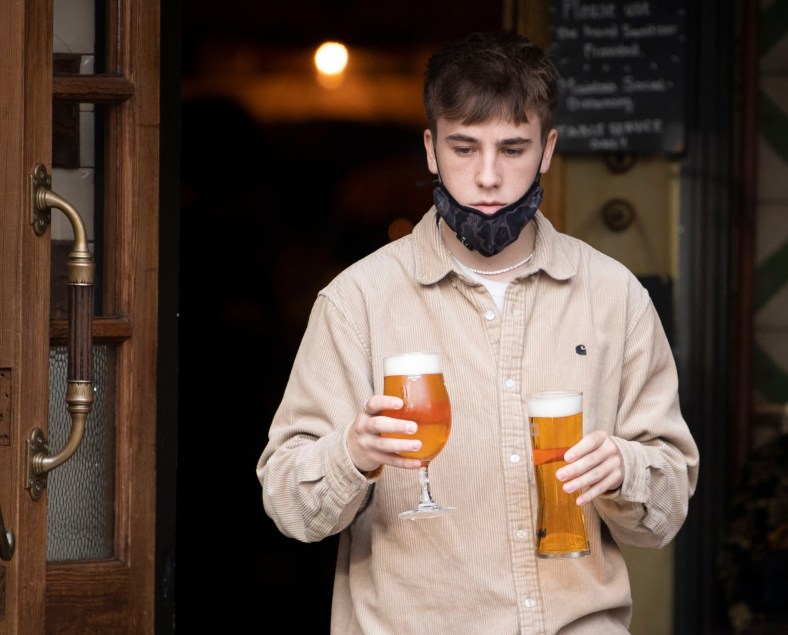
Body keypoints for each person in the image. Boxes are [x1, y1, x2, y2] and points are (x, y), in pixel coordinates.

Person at [257, 30, 699, 634]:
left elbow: (666, 514)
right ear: (431, 150)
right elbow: (289, 506)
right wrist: (352, 453)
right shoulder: (356, 301)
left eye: (512, 149)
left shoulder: (614, 295)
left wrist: (626, 468)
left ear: (547, 150)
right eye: (464, 149)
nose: (488, 177)